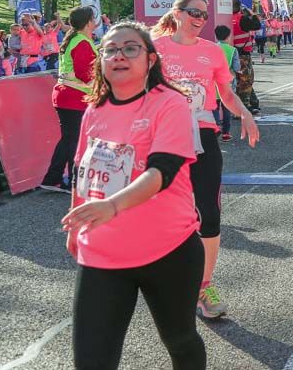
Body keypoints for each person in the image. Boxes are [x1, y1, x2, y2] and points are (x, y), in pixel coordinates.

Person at [61, 22, 206, 369]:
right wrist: (75, 225)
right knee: (91, 360)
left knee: (180, 340)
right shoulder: (93, 111)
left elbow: (162, 172)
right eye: (110, 50)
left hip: (169, 249)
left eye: (130, 48)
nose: (119, 56)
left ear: (150, 60)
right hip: (103, 253)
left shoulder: (170, 103)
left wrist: (112, 205)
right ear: (101, 61)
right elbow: (83, 172)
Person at [153, 0, 260, 319]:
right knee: (164, 214)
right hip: (164, 138)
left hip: (202, 135)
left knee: (209, 215)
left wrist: (245, 113)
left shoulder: (212, 52)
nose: (199, 18)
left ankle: (203, 286)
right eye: (193, 12)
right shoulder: (155, 48)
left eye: (203, 14)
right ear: (176, 13)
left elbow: (225, 92)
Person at [41, 7, 98, 193]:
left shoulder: (74, 39)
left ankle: (53, 178)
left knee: (68, 139)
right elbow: (85, 74)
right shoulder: (82, 42)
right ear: (89, 22)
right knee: (73, 140)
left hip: (68, 95)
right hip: (75, 97)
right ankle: (73, 181)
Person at [231, 0, 261, 114]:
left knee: (241, 79)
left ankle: (253, 102)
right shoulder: (241, 19)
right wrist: (252, 14)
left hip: (231, 52)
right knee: (246, 80)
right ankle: (244, 106)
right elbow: (257, 25)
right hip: (243, 54)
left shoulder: (226, 18)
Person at [214, 24, 241, 142]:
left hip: (213, 82)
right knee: (226, 109)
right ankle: (226, 133)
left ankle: (215, 129)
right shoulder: (232, 50)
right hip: (227, 83)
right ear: (228, 36)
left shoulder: (211, 48)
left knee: (214, 107)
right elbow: (236, 67)